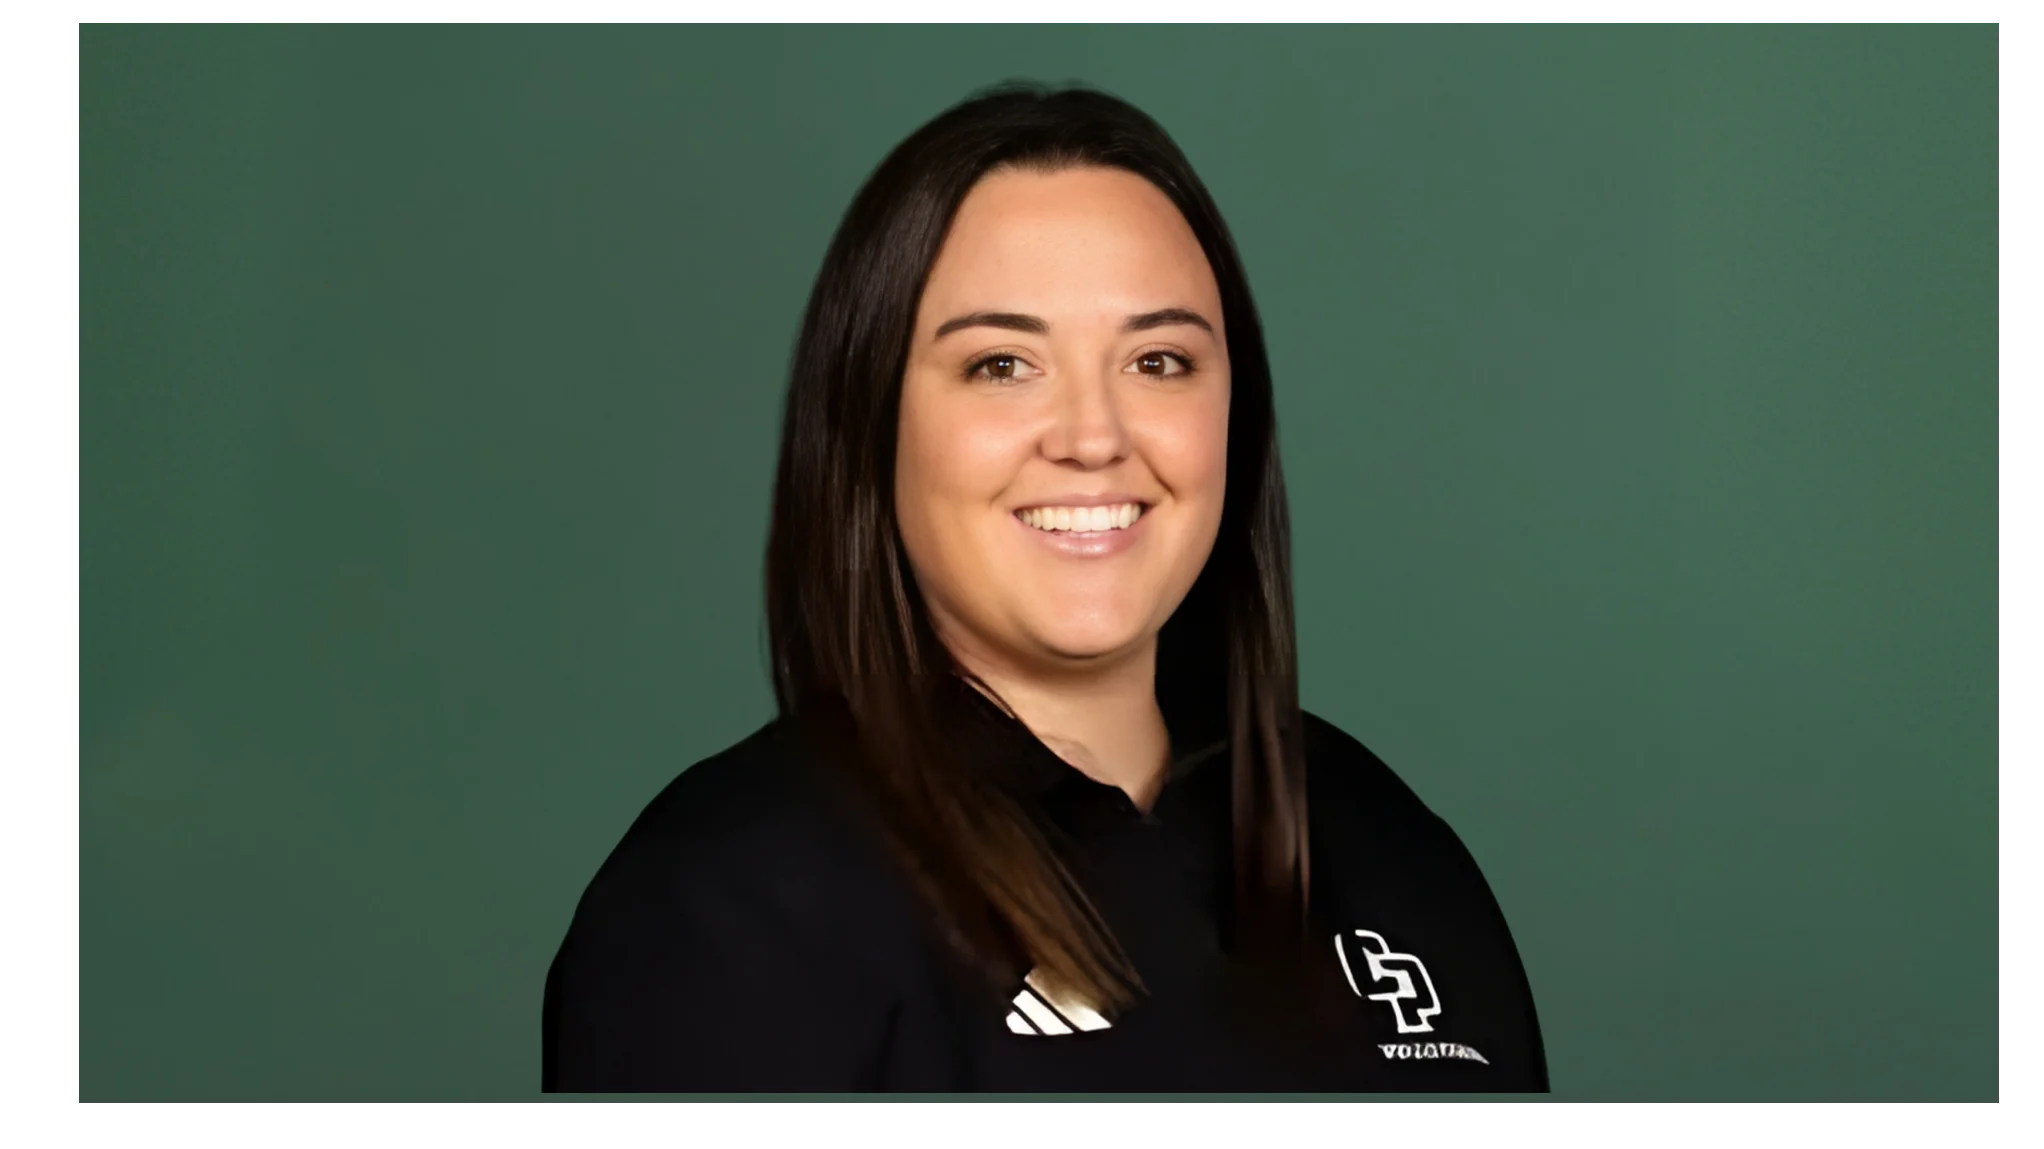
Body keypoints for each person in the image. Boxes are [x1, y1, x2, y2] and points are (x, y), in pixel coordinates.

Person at [541, 80, 1547, 1094]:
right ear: (870, 423)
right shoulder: (730, 900)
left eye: (1159, 360)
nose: (1093, 438)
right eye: (1001, 365)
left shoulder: (1385, 848)